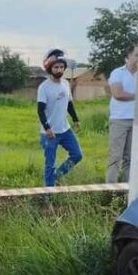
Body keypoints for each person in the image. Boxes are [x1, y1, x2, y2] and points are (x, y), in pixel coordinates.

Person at [37, 50, 82, 187]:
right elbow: (40, 110)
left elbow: (69, 104)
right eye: (56, 67)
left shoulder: (66, 84)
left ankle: (57, 176)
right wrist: (47, 128)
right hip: (50, 133)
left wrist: (75, 120)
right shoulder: (44, 87)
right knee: (49, 165)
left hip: (65, 129)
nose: (59, 70)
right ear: (49, 68)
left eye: (61, 67)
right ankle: (47, 197)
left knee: (77, 155)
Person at [106, 43, 138, 183]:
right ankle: (109, 191)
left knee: (130, 159)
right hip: (119, 120)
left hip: (137, 120)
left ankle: (128, 191)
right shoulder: (117, 73)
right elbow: (118, 94)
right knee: (115, 157)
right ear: (128, 56)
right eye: (137, 55)